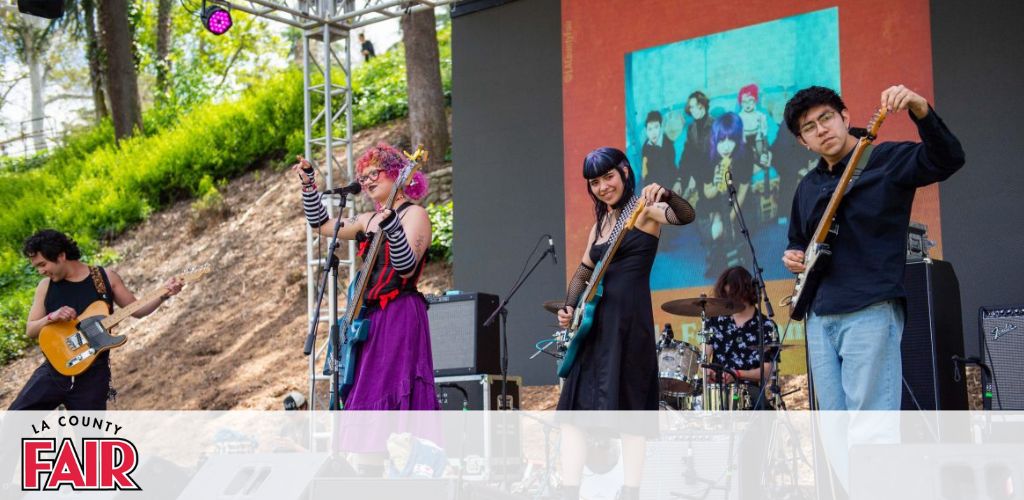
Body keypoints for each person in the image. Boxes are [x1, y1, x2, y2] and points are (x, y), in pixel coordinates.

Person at [781, 84, 965, 411]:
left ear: (845, 117)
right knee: (834, 435)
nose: (821, 130)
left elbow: (949, 158)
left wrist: (920, 109)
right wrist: (793, 256)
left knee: (871, 427)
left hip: (870, 308)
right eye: (809, 127)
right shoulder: (807, 187)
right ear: (802, 142)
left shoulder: (886, 159)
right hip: (819, 317)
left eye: (827, 118)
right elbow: (798, 241)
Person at [556, 147, 695, 500]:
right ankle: (568, 490)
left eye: (608, 177)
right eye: (595, 182)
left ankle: (630, 492)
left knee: (632, 412)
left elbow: (685, 215)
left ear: (624, 173)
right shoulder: (601, 223)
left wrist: (666, 193)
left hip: (630, 322)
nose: (603, 187)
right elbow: (585, 270)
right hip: (594, 324)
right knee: (573, 414)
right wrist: (569, 307)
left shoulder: (644, 209)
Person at [294, 142, 437, 413]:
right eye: (363, 176)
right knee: (365, 394)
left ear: (397, 173)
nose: (367, 181)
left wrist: (392, 227)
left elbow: (406, 268)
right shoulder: (367, 219)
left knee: (391, 389)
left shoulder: (414, 214)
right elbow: (321, 226)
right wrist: (308, 185)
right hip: (368, 320)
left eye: (375, 173)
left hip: (399, 314)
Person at [8, 229, 183, 411]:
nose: (40, 271)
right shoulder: (45, 286)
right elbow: (30, 330)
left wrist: (165, 294)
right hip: (53, 372)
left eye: (43, 264)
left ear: (61, 255)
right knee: (14, 423)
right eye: (36, 266)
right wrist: (52, 316)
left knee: (89, 438)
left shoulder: (104, 278)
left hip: (93, 378)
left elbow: (137, 310)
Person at [703, 266, 779, 409]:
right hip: (717, 389)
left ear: (747, 291)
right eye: (726, 297)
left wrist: (737, 374)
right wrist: (707, 371)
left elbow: (767, 370)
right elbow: (704, 354)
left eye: (733, 296)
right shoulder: (714, 319)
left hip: (749, 390)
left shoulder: (767, 326)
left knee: (764, 410)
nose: (729, 301)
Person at [694, 112, 752, 278]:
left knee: (730, 232)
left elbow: (742, 192)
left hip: (735, 201)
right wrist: (717, 181)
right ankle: (716, 258)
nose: (726, 147)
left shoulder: (745, 155)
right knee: (713, 231)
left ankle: (730, 259)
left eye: (731, 140)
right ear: (715, 139)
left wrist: (730, 221)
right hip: (712, 202)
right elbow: (707, 194)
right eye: (721, 140)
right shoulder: (707, 158)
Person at [679, 91, 713, 206]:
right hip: (696, 168)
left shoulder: (715, 124)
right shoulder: (691, 128)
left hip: (711, 168)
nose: (692, 110)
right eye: (691, 107)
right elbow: (687, 152)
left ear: (703, 105)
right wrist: (680, 177)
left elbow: (712, 153)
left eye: (695, 106)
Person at [640, 110, 679, 193]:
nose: (653, 132)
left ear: (661, 127)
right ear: (646, 131)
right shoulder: (645, 147)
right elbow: (645, 171)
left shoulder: (668, 143)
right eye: (650, 129)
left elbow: (672, 167)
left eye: (656, 127)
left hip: (669, 183)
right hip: (653, 185)